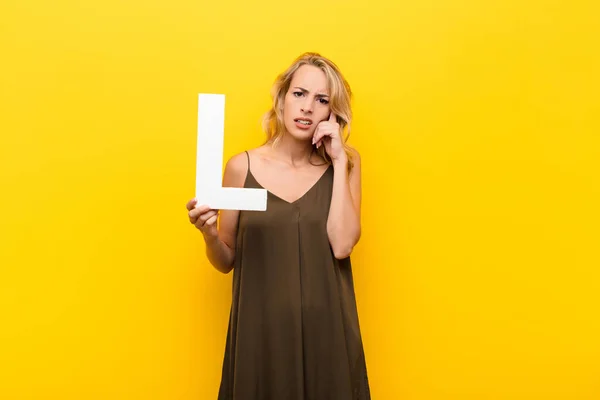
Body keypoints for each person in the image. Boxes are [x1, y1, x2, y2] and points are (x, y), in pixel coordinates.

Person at [186, 52, 370, 399]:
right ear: (282, 98)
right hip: (260, 338)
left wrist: (340, 157)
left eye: (321, 100)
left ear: (332, 113)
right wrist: (208, 233)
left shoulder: (345, 164)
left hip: (327, 335)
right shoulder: (242, 167)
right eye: (299, 94)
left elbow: (343, 244)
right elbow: (225, 260)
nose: (307, 108)